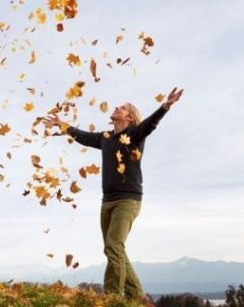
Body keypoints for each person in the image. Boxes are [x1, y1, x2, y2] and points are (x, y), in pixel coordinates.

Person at [43, 87, 183, 300]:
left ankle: (112, 298)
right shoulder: (105, 137)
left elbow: (150, 124)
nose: (116, 107)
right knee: (113, 248)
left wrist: (165, 106)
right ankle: (137, 295)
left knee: (113, 245)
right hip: (107, 201)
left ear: (129, 117)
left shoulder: (135, 134)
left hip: (128, 200)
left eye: (122, 107)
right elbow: (82, 136)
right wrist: (61, 124)